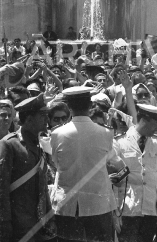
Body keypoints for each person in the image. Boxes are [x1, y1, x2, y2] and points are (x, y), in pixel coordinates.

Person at [51, 86, 121, 242]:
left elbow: (56, 163)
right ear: (90, 105)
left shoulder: (57, 134)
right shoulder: (106, 133)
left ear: (68, 107)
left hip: (68, 207)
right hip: (98, 205)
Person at [0, 94, 56, 242]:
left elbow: (42, 186)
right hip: (17, 227)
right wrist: (4, 228)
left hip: (38, 226)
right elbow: (0, 191)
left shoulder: (38, 145)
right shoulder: (9, 145)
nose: (47, 119)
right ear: (29, 119)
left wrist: (49, 216)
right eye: (43, 115)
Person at [113, 103, 157, 242]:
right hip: (127, 208)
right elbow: (114, 180)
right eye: (156, 123)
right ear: (144, 120)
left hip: (151, 207)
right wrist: (115, 212)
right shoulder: (120, 142)